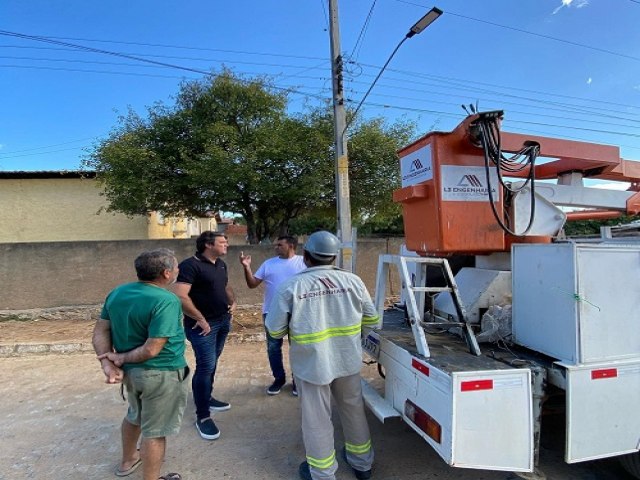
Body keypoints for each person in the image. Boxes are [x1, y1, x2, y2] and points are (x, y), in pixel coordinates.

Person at [266, 231, 380, 480]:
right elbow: (372, 319)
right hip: (347, 360)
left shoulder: (292, 287)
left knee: (316, 418)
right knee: (353, 409)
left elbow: (274, 330)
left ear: (305, 255)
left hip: (311, 366)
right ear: (333, 256)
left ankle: (322, 473)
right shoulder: (354, 281)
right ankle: (362, 464)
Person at [92, 248, 188, 480]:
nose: (178, 270)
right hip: (162, 372)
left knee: (134, 415)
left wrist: (108, 362)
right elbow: (152, 348)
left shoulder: (118, 293)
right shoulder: (166, 300)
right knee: (155, 432)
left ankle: (127, 461)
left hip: (132, 374)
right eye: (176, 267)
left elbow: (100, 330)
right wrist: (118, 359)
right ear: (166, 273)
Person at [174, 231, 236, 441]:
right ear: (208, 245)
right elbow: (181, 296)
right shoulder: (190, 265)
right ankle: (203, 416)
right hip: (202, 327)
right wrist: (200, 318)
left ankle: (206, 397)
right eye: (222, 242)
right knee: (205, 366)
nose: (226, 244)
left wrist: (232, 302)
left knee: (212, 362)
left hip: (222, 320)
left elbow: (225, 286)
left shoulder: (220, 264)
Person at [239, 235, 306, 396]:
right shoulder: (269, 264)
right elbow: (252, 284)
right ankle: (279, 379)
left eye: (279, 245)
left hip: (299, 312)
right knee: (273, 348)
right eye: (276, 245)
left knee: (297, 348)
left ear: (291, 246)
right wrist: (246, 267)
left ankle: (298, 380)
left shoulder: (304, 262)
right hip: (272, 312)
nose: (276, 247)